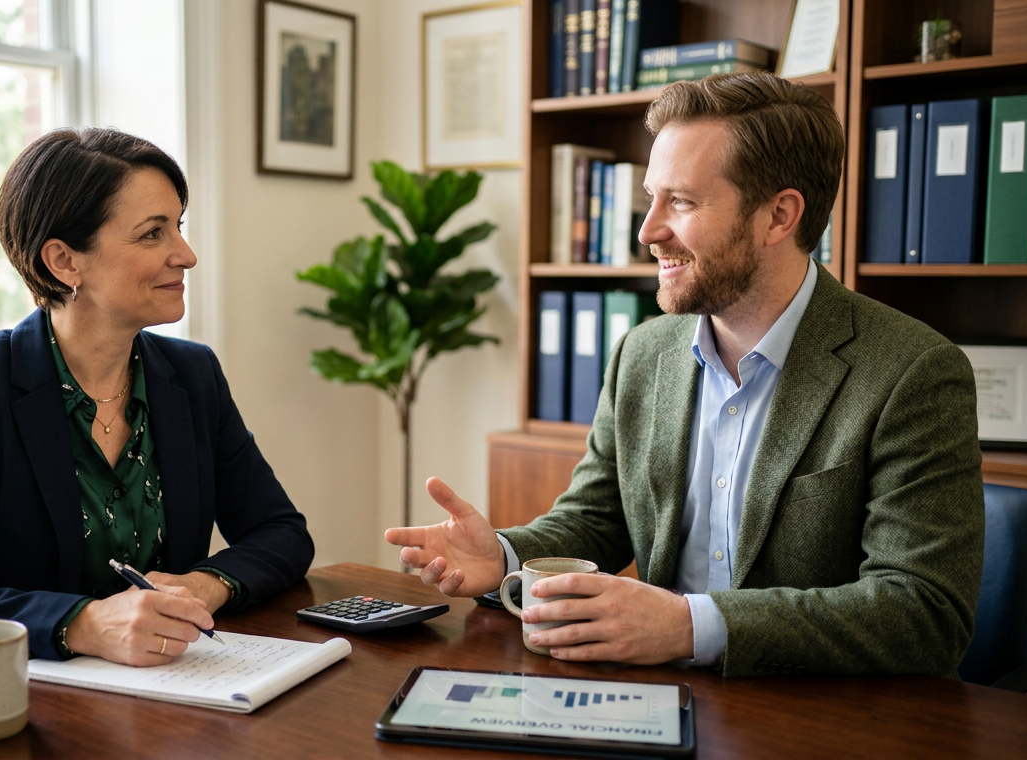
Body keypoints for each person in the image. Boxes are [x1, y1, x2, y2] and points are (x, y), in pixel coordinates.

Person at [386, 73, 983, 678]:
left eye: (682, 201)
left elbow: (924, 613)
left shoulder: (913, 372)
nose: (648, 230)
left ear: (779, 216)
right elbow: (598, 520)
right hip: (655, 699)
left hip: (817, 717)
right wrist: (506, 555)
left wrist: (688, 625)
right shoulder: (641, 354)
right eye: (652, 197)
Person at [0, 128, 313, 665]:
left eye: (178, 227)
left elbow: (282, 532)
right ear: (64, 261)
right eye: (153, 234)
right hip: (35, 700)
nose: (187, 255)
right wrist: (83, 624)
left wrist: (206, 584)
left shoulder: (192, 374)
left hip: (177, 684)